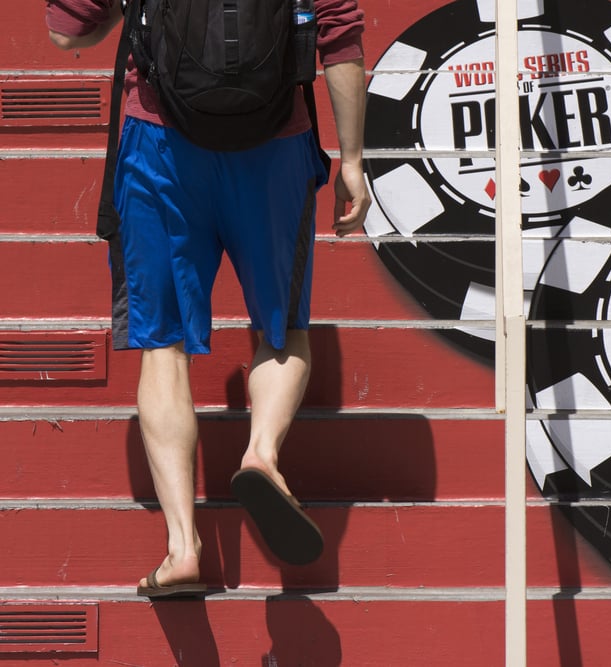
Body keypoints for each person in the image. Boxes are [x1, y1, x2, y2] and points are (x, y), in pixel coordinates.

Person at [45, 0, 370, 596]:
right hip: (276, 144)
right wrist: (352, 159)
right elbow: (340, 35)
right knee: (282, 329)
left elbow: (66, 34)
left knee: (163, 346)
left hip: (160, 143)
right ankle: (262, 454)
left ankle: (182, 550)